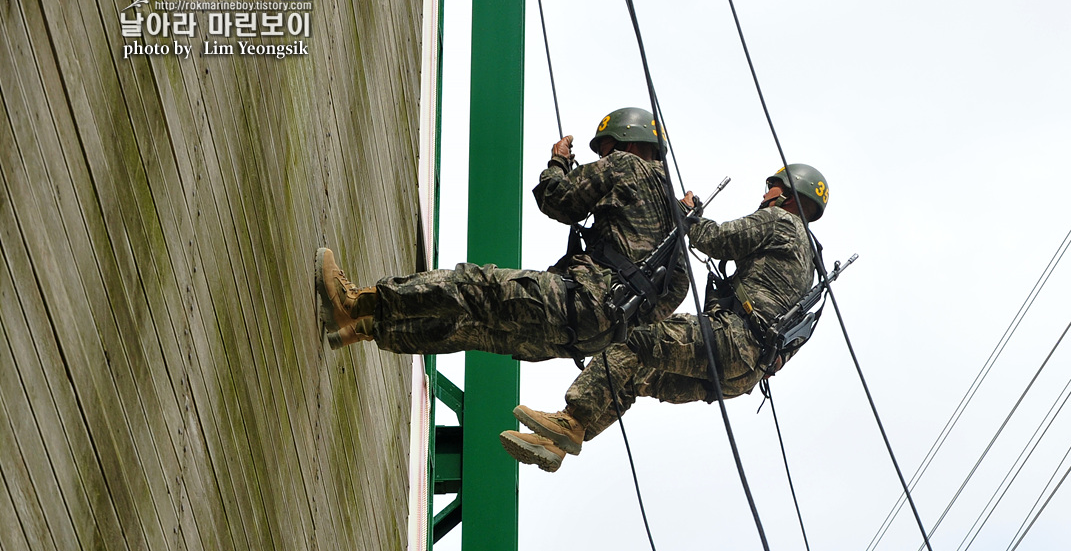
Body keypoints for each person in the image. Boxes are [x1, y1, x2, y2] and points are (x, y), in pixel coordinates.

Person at [499, 163, 829, 472]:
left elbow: (716, 240)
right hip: (745, 373)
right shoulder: (811, 265)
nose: (765, 195)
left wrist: (685, 213)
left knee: (630, 339)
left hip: (730, 340)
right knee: (637, 373)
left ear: (790, 195)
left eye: (771, 188)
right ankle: (560, 440)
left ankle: (571, 420)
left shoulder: (780, 221)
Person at [315, 106, 689, 360]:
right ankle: (368, 329)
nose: (605, 156)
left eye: (609, 148)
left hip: (580, 298)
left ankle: (352, 304)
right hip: (590, 338)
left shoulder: (626, 167)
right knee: (471, 329)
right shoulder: (678, 222)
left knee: (473, 286)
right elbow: (674, 292)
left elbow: (557, 200)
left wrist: (557, 163)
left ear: (631, 144)